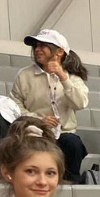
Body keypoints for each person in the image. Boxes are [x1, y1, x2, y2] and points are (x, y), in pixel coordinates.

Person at [10, 29, 89, 181]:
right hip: (34, 131)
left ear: (59, 52)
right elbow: (14, 105)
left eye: (43, 46)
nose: (37, 49)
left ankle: (71, 181)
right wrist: (38, 119)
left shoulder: (72, 76)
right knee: (30, 141)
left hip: (65, 133)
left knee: (73, 143)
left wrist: (63, 77)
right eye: (36, 46)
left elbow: (81, 103)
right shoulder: (24, 74)